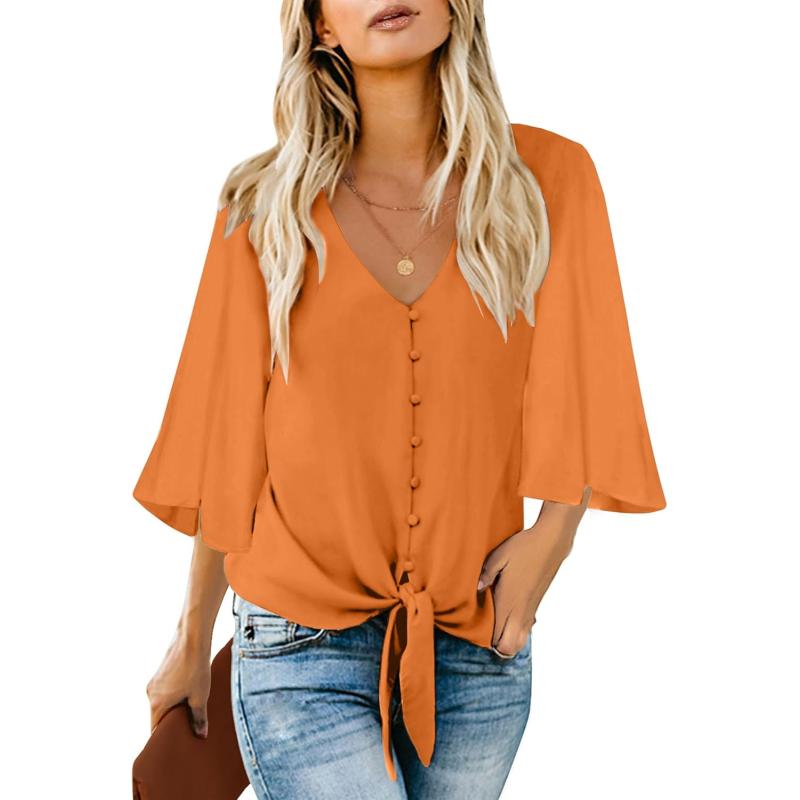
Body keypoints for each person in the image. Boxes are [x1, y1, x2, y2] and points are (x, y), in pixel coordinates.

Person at [133, 1, 667, 798]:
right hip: (298, 649)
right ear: (320, 24)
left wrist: (554, 537)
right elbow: (225, 449)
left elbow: (587, 377)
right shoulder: (263, 208)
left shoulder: (545, 183)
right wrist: (190, 636)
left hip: (476, 649)